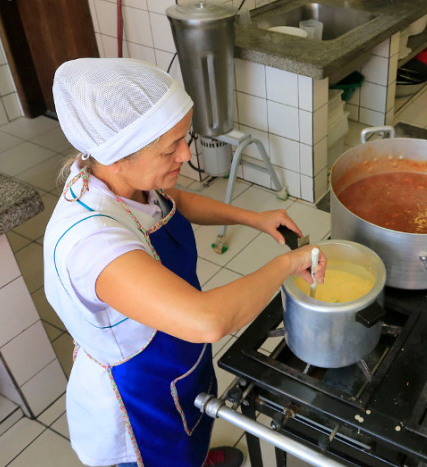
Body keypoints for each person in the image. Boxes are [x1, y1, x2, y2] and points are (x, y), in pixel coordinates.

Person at [43, 58, 326, 467]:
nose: (186, 153)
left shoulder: (128, 180)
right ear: (119, 157)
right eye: (170, 148)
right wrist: (288, 264)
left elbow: (176, 202)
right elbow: (207, 321)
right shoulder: (93, 245)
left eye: (183, 138)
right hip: (138, 399)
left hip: (175, 359)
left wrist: (254, 218)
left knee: (192, 428)